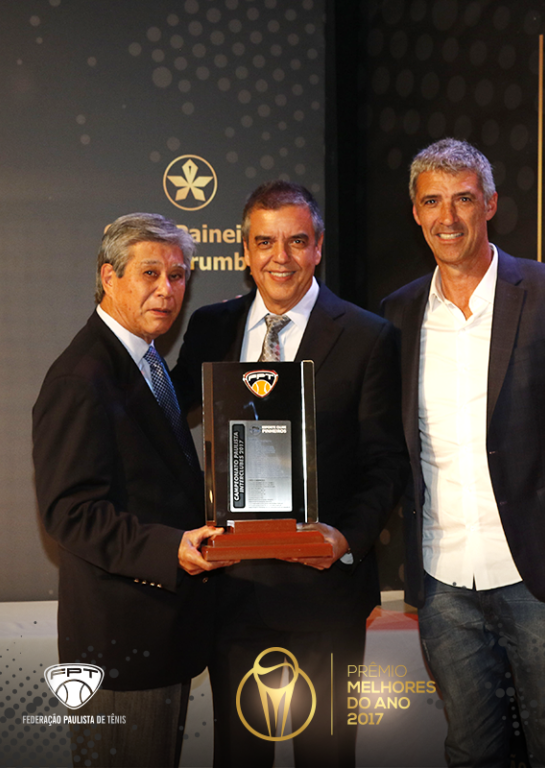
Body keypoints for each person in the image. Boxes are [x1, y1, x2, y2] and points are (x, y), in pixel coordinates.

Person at [380, 139, 545, 767]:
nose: (448, 217)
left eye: (464, 199)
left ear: (491, 204)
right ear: (415, 213)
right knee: (470, 752)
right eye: (432, 202)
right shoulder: (398, 313)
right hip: (443, 582)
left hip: (543, 578)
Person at [172, 180, 407, 767]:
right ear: (245, 252)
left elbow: (385, 462)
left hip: (325, 595)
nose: (281, 257)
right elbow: (165, 423)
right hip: (234, 592)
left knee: (328, 757)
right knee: (238, 758)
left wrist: (345, 539)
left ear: (318, 247)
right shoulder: (210, 327)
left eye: (297, 241)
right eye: (265, 242)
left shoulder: (368, 335)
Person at [32, 213, 232, 768]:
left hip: (158, 637)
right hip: (121, 648)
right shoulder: (81, 376)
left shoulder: (143, 359)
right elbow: (70, 512)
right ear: (109, 276)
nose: (167, 289)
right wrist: (170, 548)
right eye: (150, 273)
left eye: (178, 275)